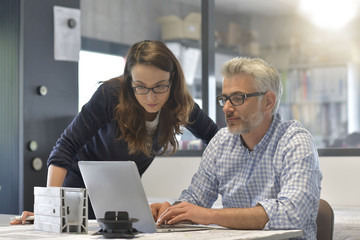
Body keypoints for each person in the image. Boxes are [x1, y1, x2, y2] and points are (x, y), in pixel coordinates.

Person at [11, 40, 219, 224]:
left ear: (173, 81)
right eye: (140, 87)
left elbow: (218, 139)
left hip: (119, 198)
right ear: (130, 82)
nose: (150, 97)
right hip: (77, 194)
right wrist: (49, 209)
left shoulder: (181, 103)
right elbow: (65, 146)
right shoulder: (110, 96)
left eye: (160, 87)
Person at [151, 57, 322, 239]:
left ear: (268, 102)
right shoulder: (221, 141)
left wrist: (208, 215)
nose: (226, 108)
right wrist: (171, 211)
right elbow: (195, 200)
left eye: (238, 98)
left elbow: (291, 214)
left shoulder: (294, 141)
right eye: (224, 99)